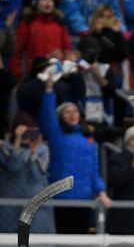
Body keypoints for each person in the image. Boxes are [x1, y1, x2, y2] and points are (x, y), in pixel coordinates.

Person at [39, 73, 108, 234]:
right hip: (61, 197)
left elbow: (94, 171)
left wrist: (101, 191)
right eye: (67, 112)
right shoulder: (56, 135)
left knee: (81, 240)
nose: (72, 115)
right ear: (61, 117)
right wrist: (49, 91)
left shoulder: (89, 139)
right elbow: (48, 116)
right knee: (63, 239)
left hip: (84, 198)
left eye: (75, 112)